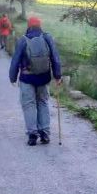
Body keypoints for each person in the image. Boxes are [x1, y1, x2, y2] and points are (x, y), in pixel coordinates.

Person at [9, 16, 62, 146]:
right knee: (43, 103)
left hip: (27, 78)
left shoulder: (23, 40)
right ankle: (44, 133)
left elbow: (15, 60)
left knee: (29, 105)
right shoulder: (47, 38)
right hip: (44, 78)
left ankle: (32, 135)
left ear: (29, 26)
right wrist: (57, 75)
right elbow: (55, 57)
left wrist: (12, 77)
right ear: (40, 25)